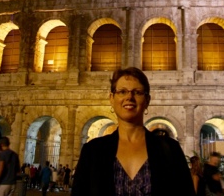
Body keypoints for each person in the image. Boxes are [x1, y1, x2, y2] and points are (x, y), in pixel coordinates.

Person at [71, 66, 196, 195]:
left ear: (147, 100)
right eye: (122, 91)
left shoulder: (170, 149)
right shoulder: (92, 151)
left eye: (137, 92)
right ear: (111, 98)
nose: (129, 97)